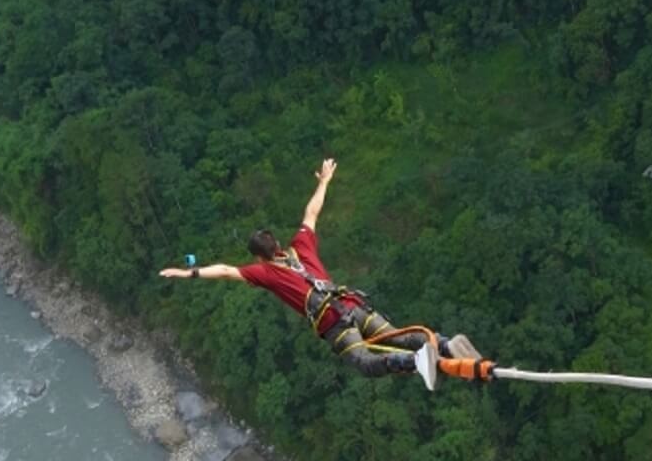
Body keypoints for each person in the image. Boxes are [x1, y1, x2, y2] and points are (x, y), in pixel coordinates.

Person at [159, 158, 479, 377]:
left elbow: (227, 271)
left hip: (334, 323)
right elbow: (311, 212)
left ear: (260, 257)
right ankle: (446, 344)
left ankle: (417, 362)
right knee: (397, 335)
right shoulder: (301, 247)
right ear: (277, 247)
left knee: (366, 363)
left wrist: (189, 273)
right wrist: (325, 180)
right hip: (353, 305)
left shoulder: (265, 273)